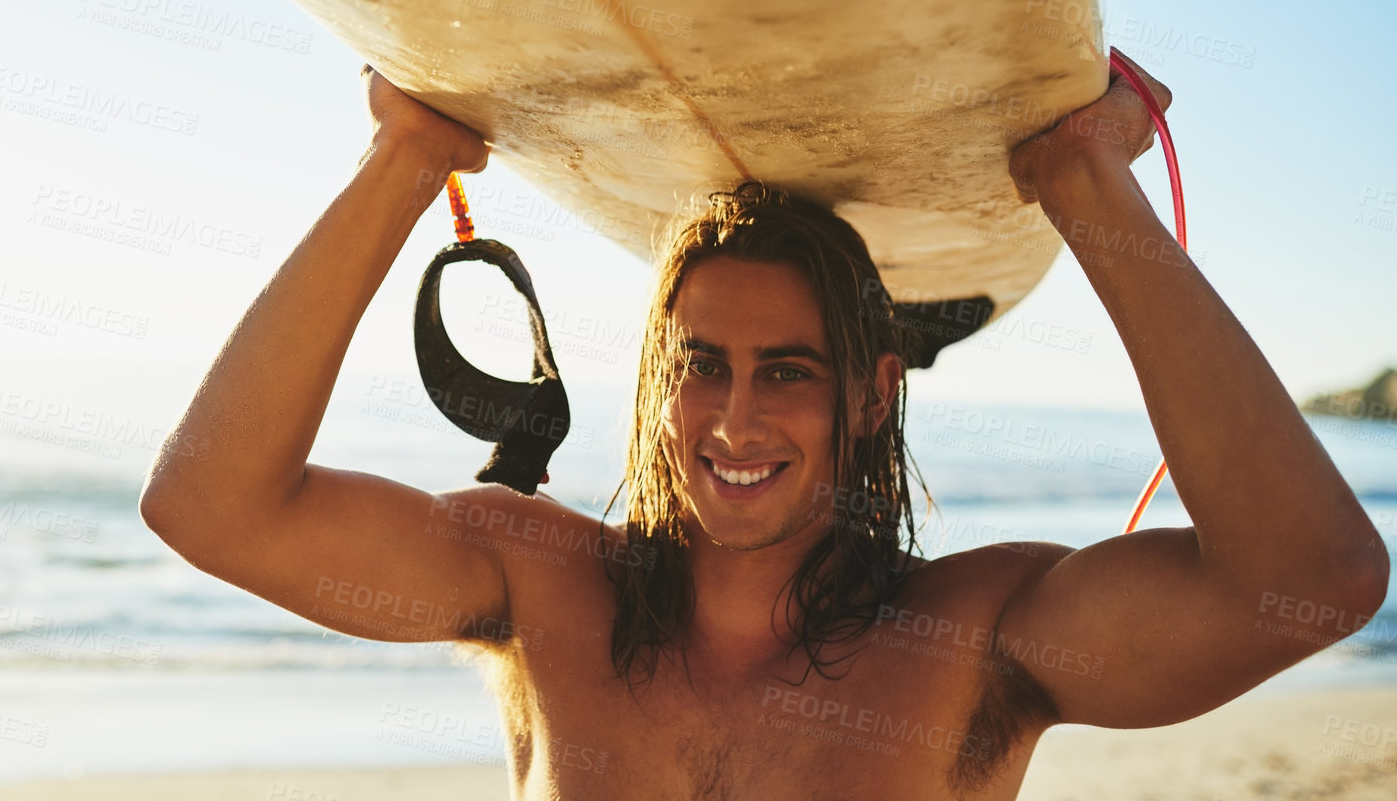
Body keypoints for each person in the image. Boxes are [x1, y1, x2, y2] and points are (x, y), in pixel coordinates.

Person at [140, 58, 1388, 798]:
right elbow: (213, 506)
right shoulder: (539, 585)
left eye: (786, 370)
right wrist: (406, 158)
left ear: (871, 397)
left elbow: (1313, 578)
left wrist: (1084, 188)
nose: (734, 417)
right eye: (702, 366)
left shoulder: (973, 638)